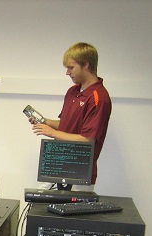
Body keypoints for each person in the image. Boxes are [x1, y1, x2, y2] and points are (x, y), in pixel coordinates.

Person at [30, 42, 111, 191]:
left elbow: (88, 139)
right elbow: (66, 126)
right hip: (56, 167)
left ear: (86, 65)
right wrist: (45, 122)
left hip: (78, 174)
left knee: (71, 213)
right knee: (37, 206)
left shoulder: (98, 98)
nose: (67, 72)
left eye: (71, 67)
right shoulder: (72, 91)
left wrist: (52, 133)